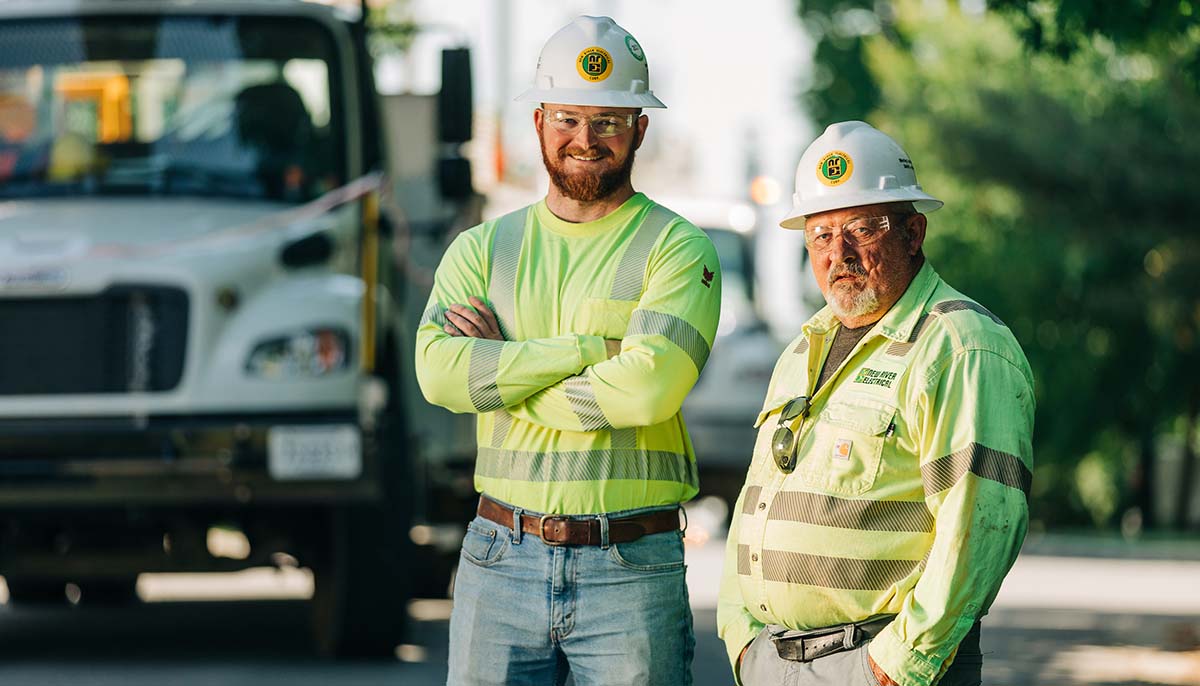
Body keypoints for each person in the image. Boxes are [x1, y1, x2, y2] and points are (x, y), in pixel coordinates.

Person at [414, 16, 721, 686]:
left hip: (629, 567)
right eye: (568, 118)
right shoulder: (481, 250)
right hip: (500, 557)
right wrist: (587, 350)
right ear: (539, 122)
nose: (586, 139)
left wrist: (503, 367)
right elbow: (440, 377)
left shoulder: (677, 250)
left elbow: (646, 391)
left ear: (640, 129)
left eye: (608, 121)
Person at [717, 120, 1034, 686]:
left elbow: (981, 524)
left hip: (878, 666)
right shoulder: (802, 348)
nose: (839, 254)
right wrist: (740, 637)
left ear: (913, 234)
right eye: (820, 234)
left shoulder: (960, 346)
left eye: (862, 229)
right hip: (772, 662)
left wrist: (897, 667)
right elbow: (755, 498)